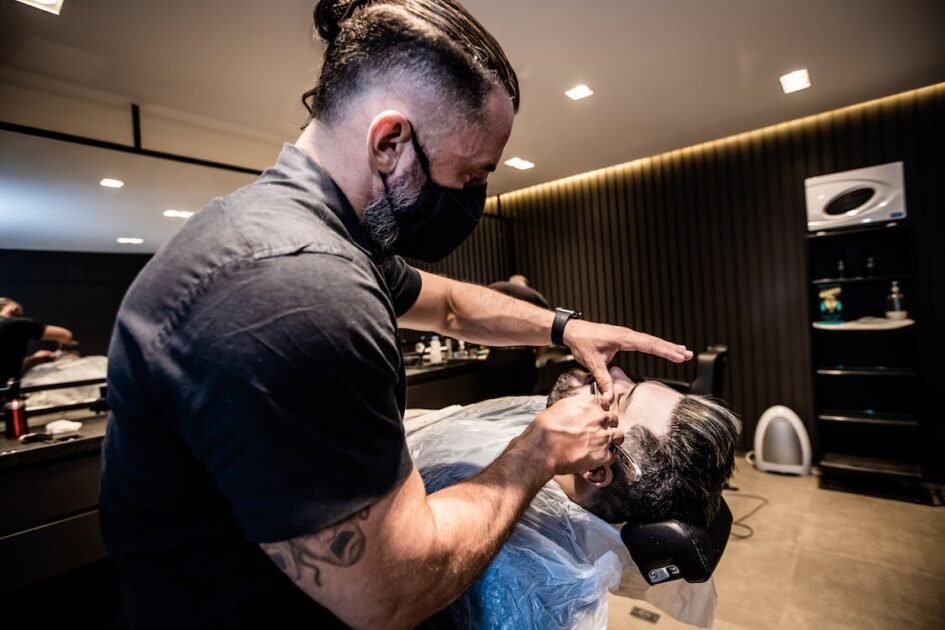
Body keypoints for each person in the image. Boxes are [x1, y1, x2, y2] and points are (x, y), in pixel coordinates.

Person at [99, 2, 693, 628]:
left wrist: (563, 326)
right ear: (390, 143)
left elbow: (454, 307)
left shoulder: (329, 237)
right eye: (468, 175)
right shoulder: (297, 286)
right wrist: (539, 450)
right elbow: (390, 592)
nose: (470, 199)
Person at [410, 367, 739, 627]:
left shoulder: (518, 582)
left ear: (595, 469)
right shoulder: (541, 433)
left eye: (617, 397)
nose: (611, 372)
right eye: (628, 379)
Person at [0, 297, 75, 386]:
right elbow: (65, 335)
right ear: (14, 310)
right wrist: (63, 353)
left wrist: (31, 360)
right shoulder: (14, 323)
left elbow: (5, 365)